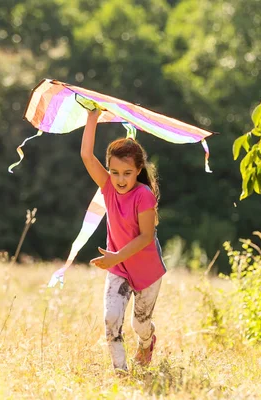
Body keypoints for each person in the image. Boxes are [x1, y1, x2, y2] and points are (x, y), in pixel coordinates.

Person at [80, 107, 166, 373]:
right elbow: (86, 155)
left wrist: (116, 256)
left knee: (139, 324)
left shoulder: (144, 196)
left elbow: (146, 236)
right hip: (118, 268)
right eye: (114, 172)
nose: (119, 179)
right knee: (111, 318)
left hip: (147, 271)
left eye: (127, 173)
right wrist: (92, 118)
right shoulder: (107, 187)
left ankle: (147, 342)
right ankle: (121, 372)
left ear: (138, 170)